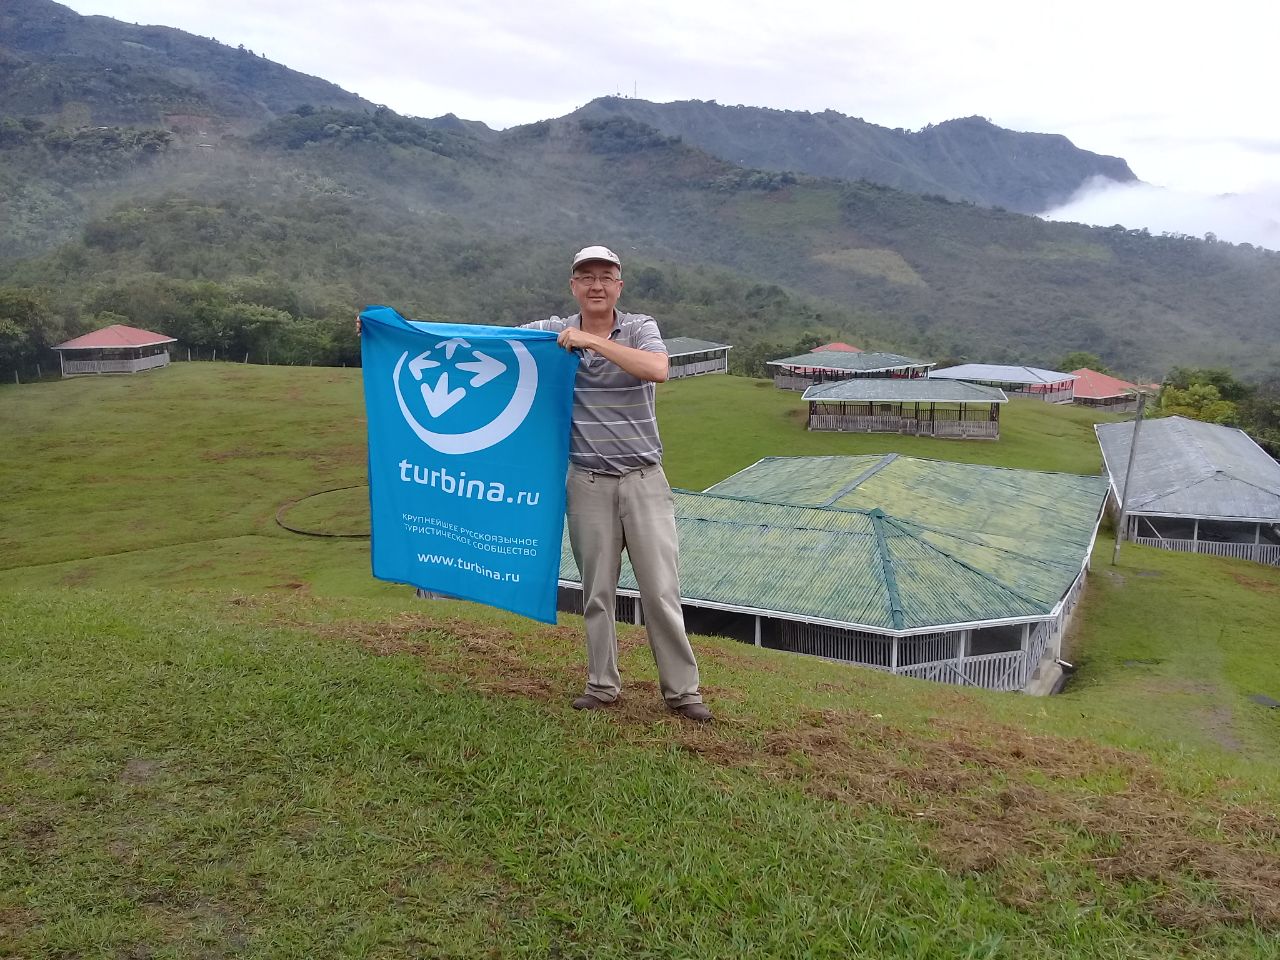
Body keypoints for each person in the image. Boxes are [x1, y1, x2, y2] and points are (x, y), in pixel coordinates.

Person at [524, 245, 712, 722]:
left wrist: (591, 342)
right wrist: (396, 331)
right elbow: (486, 342)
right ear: (573, 285)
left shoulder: (640, 328)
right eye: (586, 277)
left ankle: (683, 692)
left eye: (605, 276)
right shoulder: (553, 332)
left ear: (619, 285)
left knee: (660, 590)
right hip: (587, 481)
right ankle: (602, 684)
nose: (596, 285)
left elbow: (658, 370)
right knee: (596, 592)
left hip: (643, 480)